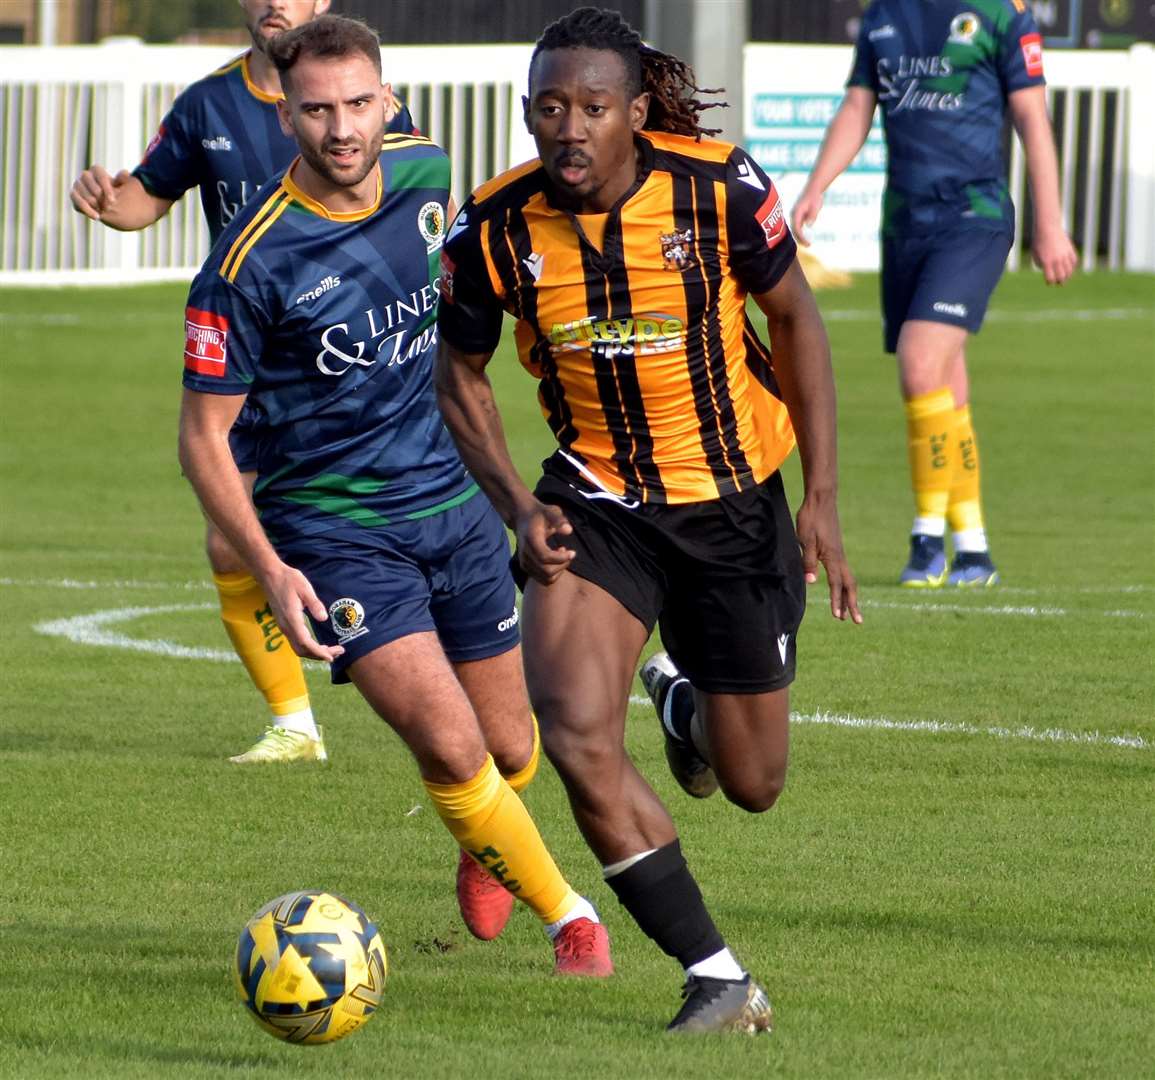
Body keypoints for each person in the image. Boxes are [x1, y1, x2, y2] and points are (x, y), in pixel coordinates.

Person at [435, 6, 860, 1033]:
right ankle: (715, 976)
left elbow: (797, 319)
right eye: (548, 106)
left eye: (591, 106)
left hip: (732, 508)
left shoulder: (717, 189)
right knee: (576, 732)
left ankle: (683, 711)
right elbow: (457, 369)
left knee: (753, 782)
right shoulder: (496, 228)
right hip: (597, 508)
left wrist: (823, 500)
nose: (568, 127)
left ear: (633, 112)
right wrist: (517, 506)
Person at [176, 14, 612, 975]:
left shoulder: (428, 173)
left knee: (508, 743)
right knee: (452, 748)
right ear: (284, 115)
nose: (341, 129)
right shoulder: (247, 266)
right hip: (333, 532)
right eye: (317, 110)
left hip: (449, 505)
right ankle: (572, 918)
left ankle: (483, 841)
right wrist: (269, 569)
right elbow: (202, 440)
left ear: (388, 101)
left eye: (358, 104)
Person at [69, 0, 417, 764]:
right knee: (229, 546)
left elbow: (414, 201)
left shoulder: (362, 103)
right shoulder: (208, 104)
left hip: (348, 356)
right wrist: (106, 200)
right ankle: (294, 724)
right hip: (254, 369)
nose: (274, 4)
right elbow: (146, 197)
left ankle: (414, 652)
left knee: (378, 515)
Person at [791, 0, 1078, 587]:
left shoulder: (1001, 15)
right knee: (946, 379)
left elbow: (1033, 120)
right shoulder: (882, 17)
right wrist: (818, 184)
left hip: (974, 218)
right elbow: (857, 107)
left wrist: (1050, 223)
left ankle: (926, 539)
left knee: (922, 365)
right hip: (905, 225)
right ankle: (973, 548)